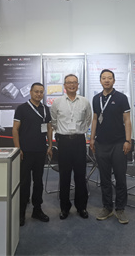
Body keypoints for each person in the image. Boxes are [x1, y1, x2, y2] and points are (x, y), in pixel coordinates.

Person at [90, 69, 132, 224]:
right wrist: (92, 138)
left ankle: (120, 209)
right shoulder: (96, 98)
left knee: (120, 178)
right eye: (103, 78)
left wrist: (128, 140)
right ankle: (107, 207)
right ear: (100, 80)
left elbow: (127, 120)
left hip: (118, 143)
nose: (106, 80)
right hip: (101, 144)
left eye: (109, 78)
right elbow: (95, 119)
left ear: (114, 80)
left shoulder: (121, 98)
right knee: (104, 178)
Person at [50, 74, 92, 220]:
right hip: (64, 142)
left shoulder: (84, 101)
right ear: (64, 85)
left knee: (80, 175)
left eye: (74, 82)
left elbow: (88, 119)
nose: (72, 85)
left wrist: (79, 130)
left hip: (79, 141)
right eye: (69, 82)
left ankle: (82, 207)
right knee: (64, 176)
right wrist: (63, 132)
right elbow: (54, 121)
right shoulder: (57, 102)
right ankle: (64, 208)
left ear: (78, 85)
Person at [13, 82, 53, 226]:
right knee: (24, 182)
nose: (39, 94)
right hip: (25, 152)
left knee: (38, 182)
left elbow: (49, 128)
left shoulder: (45, 109)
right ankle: (21, 212)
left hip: (40, 150)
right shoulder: (22, 108)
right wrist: (18, 149)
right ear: (30, 92)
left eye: (41, 92)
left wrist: (50, 145)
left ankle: (37, 210)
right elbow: (15, 129)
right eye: (36, 91)